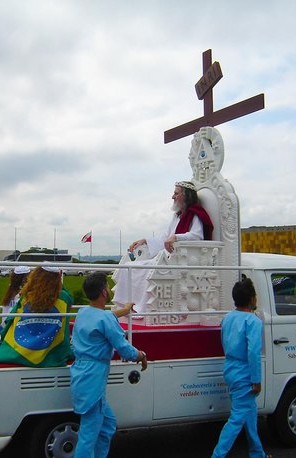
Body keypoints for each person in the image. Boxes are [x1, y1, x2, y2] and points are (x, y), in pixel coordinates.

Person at [70, 272, 148, 458]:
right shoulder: (104, 319)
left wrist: (125, 310)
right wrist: (141, 355)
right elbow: (125, 349)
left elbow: (104, 317)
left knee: (107, 425)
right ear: (104, 292)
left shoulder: (83, 313)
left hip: (82, 375)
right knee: (88, 435)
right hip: (93, 379)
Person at [112, 180, 214, 314]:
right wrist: (145, 241)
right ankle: (127, 307)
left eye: (176, 193)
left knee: (144, 271)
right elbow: (164, 238)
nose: (173, 197)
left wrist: (176, 237)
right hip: (168, 257)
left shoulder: (195, 214)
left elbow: (197, 235)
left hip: (181, 260)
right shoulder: (176, 216)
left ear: (186, 196)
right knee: (127, 268)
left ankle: (139, 309)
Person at [211, 277, 271, 458]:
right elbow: (253, 352)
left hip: (230, 368)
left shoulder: (228, 318)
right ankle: (217, 455)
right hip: (244, 373)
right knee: (237, 419)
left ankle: (257, 453)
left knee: (249, 414)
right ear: (252, 299)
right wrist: (256, 379)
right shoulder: (253, 321)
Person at [0, 265, 73, 367]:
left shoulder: (25, 297)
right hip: (51, 350)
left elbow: (9, 320)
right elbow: (68, 298)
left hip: (23, 345)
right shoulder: (64, 298)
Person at [0, 265, 30, 344]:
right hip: (12, 328)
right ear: (24, 279)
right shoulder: (19, 295)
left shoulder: (11, 291)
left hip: (5, 327)